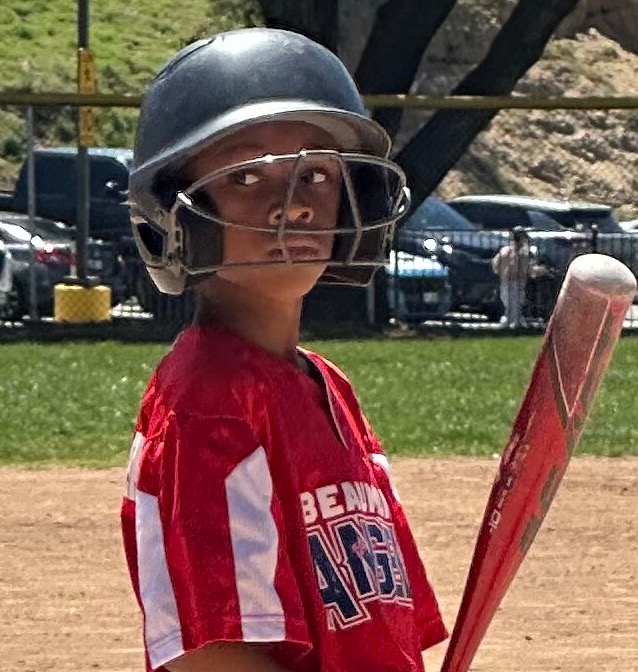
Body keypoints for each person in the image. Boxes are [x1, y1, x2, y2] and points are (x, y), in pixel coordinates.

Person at [121, 27, 447, 672]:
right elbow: (214, 655)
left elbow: (387, 633)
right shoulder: (209, 405)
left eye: (318, 173)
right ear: (177, 216)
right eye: (246, 176)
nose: (293, 206)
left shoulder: (327, 385)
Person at [491, 226, 535, 328]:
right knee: (511, 302)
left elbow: (496, 266)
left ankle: (514, 321)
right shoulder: (509, 252)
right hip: (510, 281)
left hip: (515, 281)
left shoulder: (518, 252)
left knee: (515, 303)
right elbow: (498, 265)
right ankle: (511, 321)